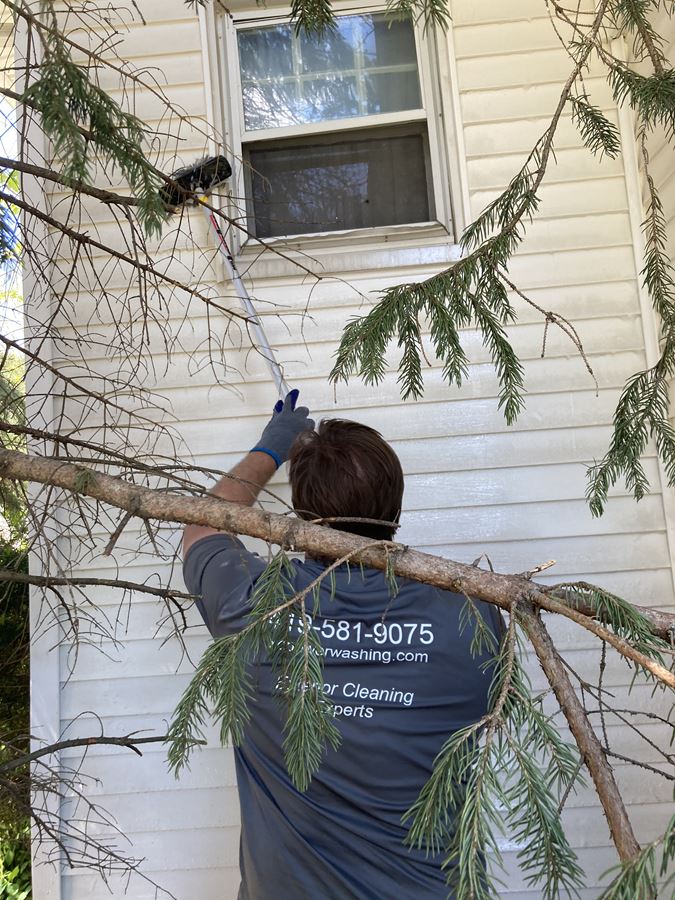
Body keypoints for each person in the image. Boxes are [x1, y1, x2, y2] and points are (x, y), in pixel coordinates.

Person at [182, 390, 503, 900]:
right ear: (394, 506)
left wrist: (272, 447)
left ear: (304, 517)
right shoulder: (472, 619)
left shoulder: (251, 607)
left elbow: (203, 523)